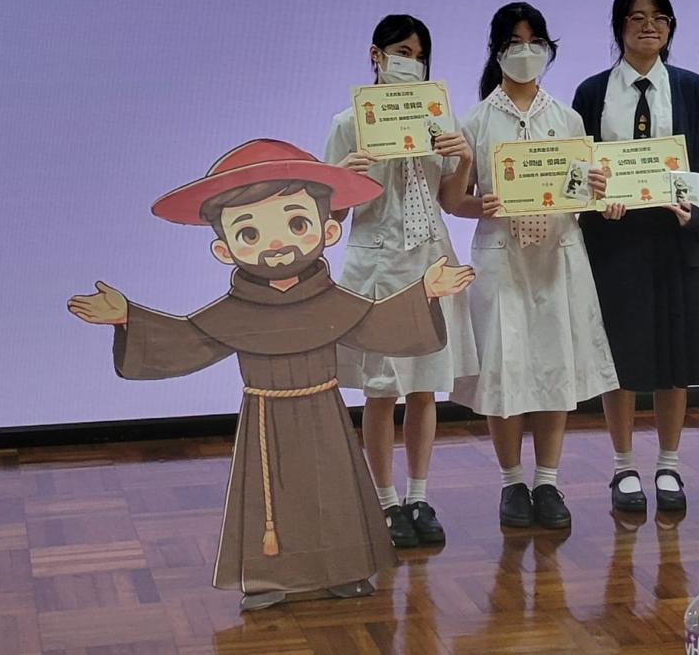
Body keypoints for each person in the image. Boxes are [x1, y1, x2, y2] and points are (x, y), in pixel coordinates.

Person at [66, 139, 475, 610]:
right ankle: (267, 580)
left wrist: (424, 293)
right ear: (223, 249)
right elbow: (189, 338)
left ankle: (343, 570)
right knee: (268, 497)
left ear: (327, 231)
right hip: (265, 419)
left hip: (323, 416)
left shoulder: (331, 302)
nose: (277, 243)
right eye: (250, 232)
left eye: (296, 224)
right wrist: (128, 319)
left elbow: (376, 322)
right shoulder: (236, 311)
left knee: (332, 488)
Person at [446, 2, 618, 530]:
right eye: (514, 42)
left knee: (553, 363)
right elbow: (453, 200)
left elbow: (581, 195)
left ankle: (547, 481)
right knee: (505, 368)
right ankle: (511, 483)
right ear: (496, 50)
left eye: (533, 42)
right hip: (502, 257)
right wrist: (480, 204)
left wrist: (597, 189)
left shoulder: (567, 118)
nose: (525, 52)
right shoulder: (475, 121)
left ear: (547, 48)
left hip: (558, 255)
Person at [325, 15, 479, 548]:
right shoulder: (347, 123)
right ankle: (385, 500)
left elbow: (450, 200)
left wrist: (464, 159)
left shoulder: (439, 118)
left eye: (418, 55)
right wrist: (342, 180)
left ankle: (418, 495)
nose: (409, 62)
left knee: (424, 386)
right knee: (380, 389)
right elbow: (329, 219)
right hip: (376, 267)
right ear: (376, 55)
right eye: (401, 52)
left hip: (429, 263)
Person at [573, 0, 699, 516]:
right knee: (618, 359)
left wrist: (697, 213)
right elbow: (577, 171)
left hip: (673, 240)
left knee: (673, 356)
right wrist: (595, 201)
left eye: (659, 17)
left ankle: (669, 464)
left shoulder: (690, 88)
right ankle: (622, 466)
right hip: (614, 244)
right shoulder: (593, 91)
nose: (649, 26)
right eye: (636, 18)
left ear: (670, 27)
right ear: (619, 28)